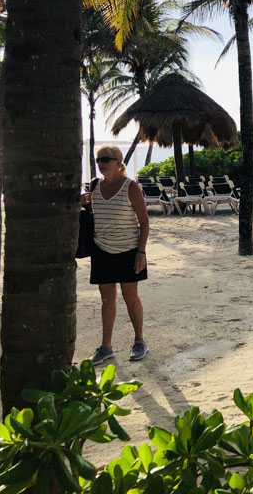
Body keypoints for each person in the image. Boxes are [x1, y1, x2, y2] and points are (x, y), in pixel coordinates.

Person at [81, 145, 150, 364]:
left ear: (119, 163)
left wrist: (141, 252)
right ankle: (106, 347)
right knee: (106, 299)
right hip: (101, 250)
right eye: (99, 159)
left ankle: (139, 341)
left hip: (129, 250)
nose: (101, 163)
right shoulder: (94, 185)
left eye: (106, 159)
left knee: (131, 297)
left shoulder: (131, 187)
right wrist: (80, 202)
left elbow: (144, 222)